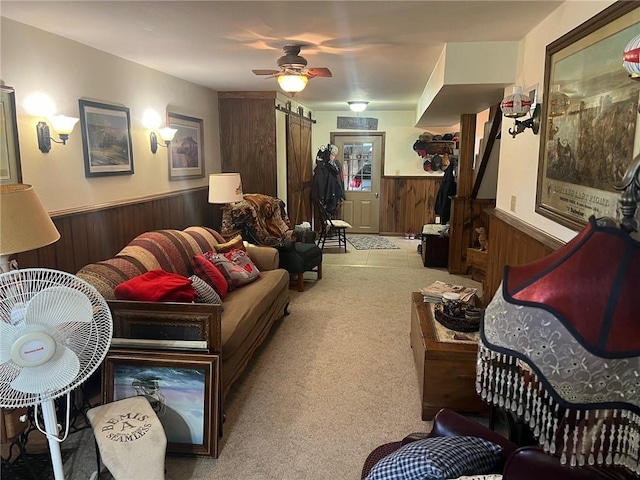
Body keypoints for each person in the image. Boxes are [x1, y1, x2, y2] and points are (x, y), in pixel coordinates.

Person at [311, 144, 345, 216]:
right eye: (332, 154)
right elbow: (320, 184)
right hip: (327, 197)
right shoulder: (323, 168)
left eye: (334, 155)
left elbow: (341, 180)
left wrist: (342, 195)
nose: (333, 156)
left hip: (334, 196)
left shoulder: (337, 165)